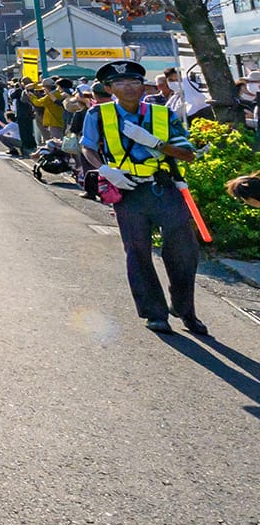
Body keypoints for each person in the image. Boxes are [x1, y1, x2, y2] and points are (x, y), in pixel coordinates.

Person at [80, 59, 208, 336]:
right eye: (121, 83)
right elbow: (87, 148)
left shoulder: (161, 114)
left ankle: (185, 308)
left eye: (134, 82)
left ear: (142, 85)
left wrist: (154, 142)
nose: (129, 87)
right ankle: (155, 313)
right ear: (110, 88)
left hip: (164, 187)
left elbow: (188, 153)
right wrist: (104, 169)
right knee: (137, 251)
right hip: (127, 190)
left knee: (184, 252)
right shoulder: (98, 115)